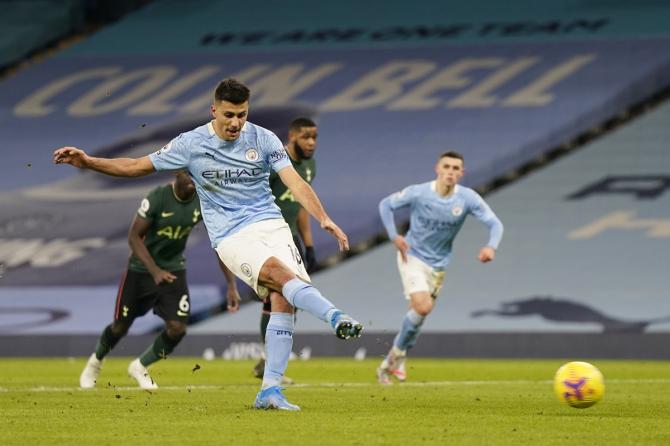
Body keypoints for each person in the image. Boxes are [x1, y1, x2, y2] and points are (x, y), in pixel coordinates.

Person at [54, 78, 363, 411]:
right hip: (231, 235)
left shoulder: (264, 139)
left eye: (242, 115)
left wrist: (323, 218)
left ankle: (270, 390)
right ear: (214, 110)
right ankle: (335, 316)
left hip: (271, 225)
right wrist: (89, 162)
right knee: (280, 276)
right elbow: (135, 165)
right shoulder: (191, 144)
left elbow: (295, 183)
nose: (235, 123)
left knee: (284, 300)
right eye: (229, 114)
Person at [79, 170, 241, 389]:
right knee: (120, 327)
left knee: (177, 328)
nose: (195, 179)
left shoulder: (203, 201)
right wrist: (154, 271)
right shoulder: (158, 197)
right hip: (141, 270)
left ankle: (140, 366)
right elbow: (133, 237)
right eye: (190, 173)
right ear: (177, 173)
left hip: (173, 269)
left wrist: (231, 285)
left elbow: (219, 244)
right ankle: (95, 363)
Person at [376, 151, 503, 385]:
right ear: (438, 168)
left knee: (417, 317)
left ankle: (393, 360)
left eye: (456, 169)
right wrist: (394, 236)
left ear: (461, 173)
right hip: (411, 255)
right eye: (447, 167)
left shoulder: (467, 198)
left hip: (439, 265)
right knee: (423, 307)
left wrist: (491, 247)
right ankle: (395, 359)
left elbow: (495, 224)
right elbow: (386, 205)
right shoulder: (419, 192)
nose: (451, 172)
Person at [253, 117, 319, 383]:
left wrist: (310, 244)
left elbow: (300, 204)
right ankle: (271, 364)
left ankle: (268, 361)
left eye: (315, 137)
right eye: (306, 137)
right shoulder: (273, 162)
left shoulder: (310, 165)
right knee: (277, 299)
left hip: (291, 240)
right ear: (292, 137)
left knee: (292, 300)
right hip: (269, 238)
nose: (312, 143)